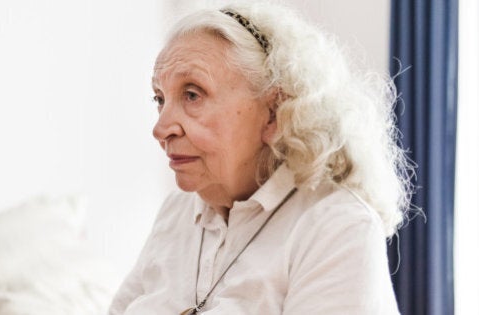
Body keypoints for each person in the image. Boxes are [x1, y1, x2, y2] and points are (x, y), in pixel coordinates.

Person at [109, 2, 411, 314]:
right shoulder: (177, 211)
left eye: (192, 94)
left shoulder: (336, 225)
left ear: (273, 113)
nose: (161, 128)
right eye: (160, 98)